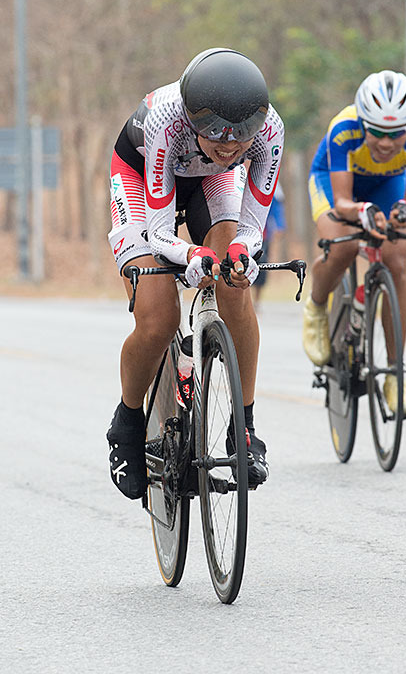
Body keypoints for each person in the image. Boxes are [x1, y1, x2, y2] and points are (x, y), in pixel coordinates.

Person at [106, 48, 284, 499]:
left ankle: (243, 429)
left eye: (239, 140)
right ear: (192, 118)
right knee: (158, 317)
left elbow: (252, 225)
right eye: (216, 135)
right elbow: (161, 231)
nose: (228, 147)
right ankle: (127, 422)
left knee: (234, 285)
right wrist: (191, 256)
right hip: (143, 178)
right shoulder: (166, 119)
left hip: (210, 181)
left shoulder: (270, 131)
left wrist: (240, 252)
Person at [303, 69, 406, 415]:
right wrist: (363, 212)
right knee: (343, 246)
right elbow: (344, 203)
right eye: (377, 132)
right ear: (363, 123)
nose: (387, 143)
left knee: (397, 263)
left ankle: (394, 375)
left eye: (397, 133)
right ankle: (316, 307)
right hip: (337, 186)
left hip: (387, 185)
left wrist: (405, 210)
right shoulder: (343, 128)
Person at [252, 182, 287, 308]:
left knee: (261, 264)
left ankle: (257, 299)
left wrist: (280, 225)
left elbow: (277, 206)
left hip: (263, 232)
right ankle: (246, 299)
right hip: (240, 229)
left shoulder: (272, 182)